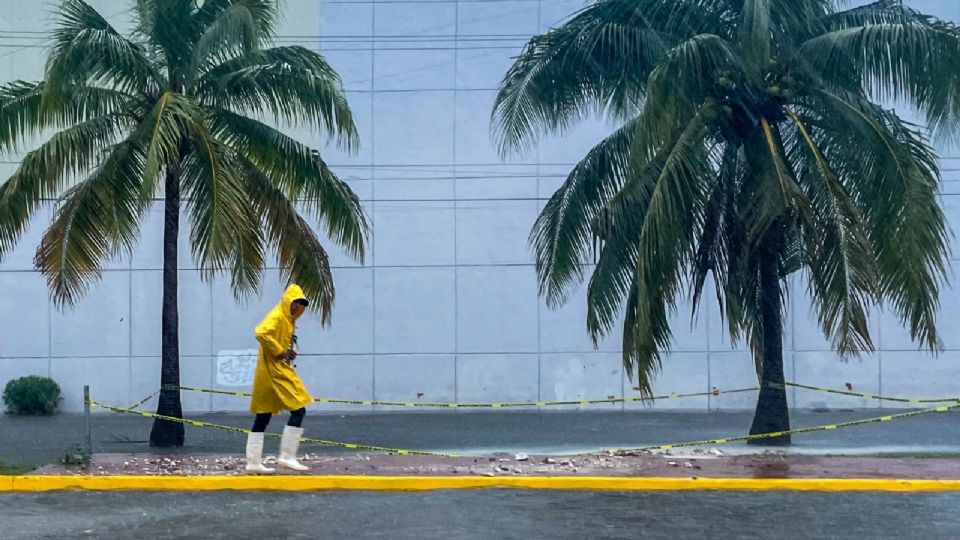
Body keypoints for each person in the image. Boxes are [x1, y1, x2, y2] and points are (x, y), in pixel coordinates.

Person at [244, 284, 314, 474]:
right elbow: (260, 332)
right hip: (275, 372)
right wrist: (281, 352)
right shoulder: (277, 315)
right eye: (294, 303)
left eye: (300, 305)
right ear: (287, 301)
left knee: (263, 415)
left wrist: (286, 352)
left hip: (270, 372)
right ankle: (287, 457)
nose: (296, 307)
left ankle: (253, 462)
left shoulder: (288, 321)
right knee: (299, 408)